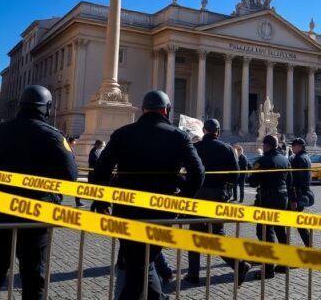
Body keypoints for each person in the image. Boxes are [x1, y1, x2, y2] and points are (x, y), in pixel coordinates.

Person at [91, 90, 204, 300]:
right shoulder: (179, 136)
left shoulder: (123, 133)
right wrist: (182, 200)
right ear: (166, 110)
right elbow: (198, 172)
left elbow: (101, 170)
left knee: (138, 261)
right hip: (162, 210)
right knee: (142, 261)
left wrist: (101, 201)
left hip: (126, 209)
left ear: (143, 109)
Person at [0, 85, 78, 300]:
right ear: (47, 107)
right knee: (34, 276)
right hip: (34, 214)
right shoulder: (53, 136)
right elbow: (71, 176)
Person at [185, 119, 251, 285]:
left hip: (198, 195)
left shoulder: (196, 148)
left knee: (195, 234)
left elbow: (188, 171)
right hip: (218, 195)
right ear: (218, 132)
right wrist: (226, 187)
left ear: (204, 131)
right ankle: (239, 264)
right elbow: (236, 174)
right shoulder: (226, 148)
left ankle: (193, 274)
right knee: (218, 235)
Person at [248, 135, 291, 278]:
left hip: (268, 198)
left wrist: (250, 175)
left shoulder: (262, 161)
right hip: (283, 198)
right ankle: (284, 264)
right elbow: (290, 181)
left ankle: (268, 269)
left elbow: (253, 182)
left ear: (266, 146)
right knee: (281, 231)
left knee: (265, 232)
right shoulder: (285, 160)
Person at [289, 137, 314, 247]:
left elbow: (295, 181)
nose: (292, 147)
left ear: (300, 146)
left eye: (294, 145)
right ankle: (309, 245)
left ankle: (309, 246)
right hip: (305, 192)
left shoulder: (298, 159)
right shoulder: (306, 157)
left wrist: (294, 198)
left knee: (298, 222)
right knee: (299, 222)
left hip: (298, 194)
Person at [67, 137, 85, 208]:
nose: (75, 143)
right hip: (68, 171)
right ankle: (78, 202)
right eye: (74, 141)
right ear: (71, 141)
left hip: (70, 170)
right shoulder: (68, 148)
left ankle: (78, 201)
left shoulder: (71, 149)